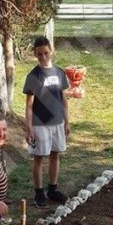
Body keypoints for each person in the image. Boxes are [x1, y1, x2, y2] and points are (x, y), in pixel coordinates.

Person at [23, 36, 71, 208]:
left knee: (55, 155)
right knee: (39, 158)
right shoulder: (33, 76)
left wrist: (67, 122)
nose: (43, 57)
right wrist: (28, 129)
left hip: (57, 122)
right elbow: (29, 105)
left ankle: (53, 189)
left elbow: (64, 99)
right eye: (39, 54)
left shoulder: (59, 73)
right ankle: (39, 193)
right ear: (35, 55)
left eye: (45, 53)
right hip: (39, 124)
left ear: (51, 51)